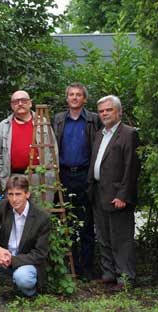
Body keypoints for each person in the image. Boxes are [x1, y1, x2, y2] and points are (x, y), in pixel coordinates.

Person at [88, 95, 139, 290]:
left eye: (108, 110)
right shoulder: (100, 134)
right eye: (101, 111)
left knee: (121, 239)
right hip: (99, 192)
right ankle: (109, 274)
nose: (104, 114)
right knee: (104, 236)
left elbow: (131, 167)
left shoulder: (128, 133)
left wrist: (123, 195)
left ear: (119, 111)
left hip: (118, 195)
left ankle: (125, 278)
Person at [0, 175, 51, 304]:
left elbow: (40, 254)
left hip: (25, 262)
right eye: (10, 194)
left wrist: (12, 260)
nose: (14, 199)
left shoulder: (41, 217)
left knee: (23, 278)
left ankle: (29, 292)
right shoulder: (4, 206)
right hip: (2, 255)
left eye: (18, 194)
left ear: (27, 194)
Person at [53, 83, 102, 280]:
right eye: (71, 95)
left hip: (85, 175)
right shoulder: (58, 120)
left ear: (84, 99)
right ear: (67, 99)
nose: (74, 98)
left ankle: (87, 268)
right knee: (66, 223)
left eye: (78, 95)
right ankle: (70, 267)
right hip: (63, 175)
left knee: (87, 223)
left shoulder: (93, 120)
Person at [0, 90, 58, 197]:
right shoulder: (4, 126)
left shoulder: (42, 123)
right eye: (16, 101)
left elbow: (53, 151)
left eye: (23, 100)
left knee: (41, 212)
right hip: (14, 177)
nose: (20, 104)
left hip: (40, 177)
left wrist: (52, 176)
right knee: (16, 212)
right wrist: (3, 176)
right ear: (11, 105)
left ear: (30, 103)